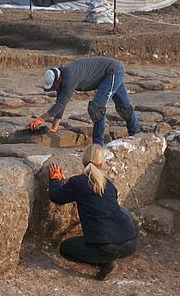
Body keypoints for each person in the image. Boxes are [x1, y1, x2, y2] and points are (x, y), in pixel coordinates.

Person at [48, 143, 138, 280]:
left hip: (105, 247)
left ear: (83, 161)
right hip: (130, 243)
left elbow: (56, 196)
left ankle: (105, 263)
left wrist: (55, 180)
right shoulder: (109, 184)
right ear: (101, 163)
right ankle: (107, 258)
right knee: (122, 210)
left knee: (65, 249)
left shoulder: (78, 182)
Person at [29, 56, 140, 145]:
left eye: (53, 87)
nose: (54, 89)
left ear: (58, 81)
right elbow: (60, 103)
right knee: (124, 106)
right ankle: (136, 134)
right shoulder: (62, 78)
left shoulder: (70, 77)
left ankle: (97, 146)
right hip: (111, 71)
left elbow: (61, 103)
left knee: (97, 108)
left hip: (112, 72)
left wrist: (41, 119)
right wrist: (54, 127)